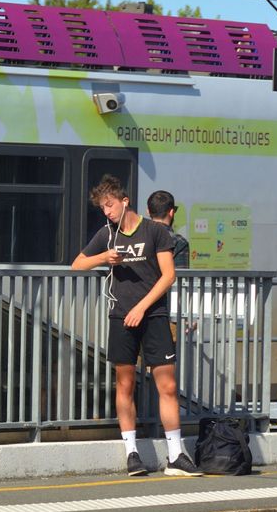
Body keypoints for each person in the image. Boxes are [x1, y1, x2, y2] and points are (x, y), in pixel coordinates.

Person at [72, 175, 202, 477]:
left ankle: (175, 455)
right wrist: (104, 258)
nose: (107, 212)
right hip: (121, 317)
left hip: (153, 315)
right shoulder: (106, 234)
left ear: (124, 200)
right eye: (102, 208)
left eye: (110, 205)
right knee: (126, 384)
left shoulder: (155, 231)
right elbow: (77, 264)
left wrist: (142, 307)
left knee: (167, 386)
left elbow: (168, 276)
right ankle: (132, 453)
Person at [146, 190, 189, 269]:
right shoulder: (178, 242)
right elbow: (180, 277)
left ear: (148, 212)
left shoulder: (138, 236)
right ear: (171, 212)